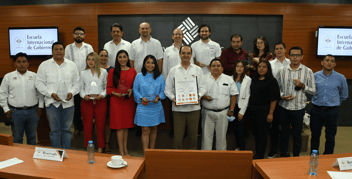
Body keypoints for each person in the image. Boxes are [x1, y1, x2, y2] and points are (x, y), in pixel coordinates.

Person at [36, 42, 80, 149]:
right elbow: (39, 83)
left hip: (68, 104)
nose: (59, 51)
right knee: (54, 130)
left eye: (61, 49)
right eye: (56, 49)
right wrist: (51, 94)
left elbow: (77, 83)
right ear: (52, 51)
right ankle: (56, 153)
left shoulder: (72, 65)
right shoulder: (44, 65)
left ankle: (66, 152)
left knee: (67, 130)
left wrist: (72, 92)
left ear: (64, 51)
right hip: (52, 104)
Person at [276, 46, 316, 157]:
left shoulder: (308, 71)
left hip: (299, 108)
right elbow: (275, 88)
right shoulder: (281, 70)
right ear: (288, 56)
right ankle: (283, 154)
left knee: (297, 134)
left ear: (301, 57)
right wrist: (282, 96)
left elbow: (313, 91)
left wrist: (302, 85)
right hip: (284, 106)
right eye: (292, 55)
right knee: (284, 133)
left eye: (297, 55)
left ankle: (296, 156)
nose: (295, 57)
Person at [165, 45, 206, 150]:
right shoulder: (173, 71)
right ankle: (177, 160)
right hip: (178, 108)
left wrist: (199, 96)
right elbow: (167, 90)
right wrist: (174, 98)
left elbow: (203, 87)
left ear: (191, 55)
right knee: (178, 137)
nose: (186, 55)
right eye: (183, 53)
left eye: (188, 53)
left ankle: (193, 160)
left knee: (193, 137)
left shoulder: (198, 70)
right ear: (179, 54)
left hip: (194, 108)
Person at [0, 52, 44, 145]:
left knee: (32, 137)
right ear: (14, 64)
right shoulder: (8, 77)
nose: (21, 64)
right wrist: (5, 109)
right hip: (15, 112)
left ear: (28, 63)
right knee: (17, 138)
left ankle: (31, 158)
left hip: (33, 112)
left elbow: (40, 93)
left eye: (24, 61)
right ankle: (19, 158)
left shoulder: (35, 76)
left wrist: (40, 106)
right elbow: (2, 94)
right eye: (19, 62)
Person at [310, 55, 348, 154]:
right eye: (327, 60)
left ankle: (327, 156)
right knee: (315, 135)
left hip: (332, 111)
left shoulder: (341, 78)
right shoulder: (314, 76)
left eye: (332, 61)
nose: (329, 63)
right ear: (322, 62)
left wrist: (334, 103)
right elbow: (310, 91)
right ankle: (314, 156)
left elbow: (344, 95)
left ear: (335, 64)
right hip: (316, 110)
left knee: (330, 137)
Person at [201, 59, 238, 150]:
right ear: (210, 68)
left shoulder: (228, 79)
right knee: (206, 138)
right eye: (213, 66)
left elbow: (234, 95)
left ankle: (220, 160)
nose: (216, 68)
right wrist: (204, 97)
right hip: (207, 112)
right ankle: (206, 159)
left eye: (218, 66)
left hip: (223, 113)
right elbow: (198, 94)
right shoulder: (203, 78)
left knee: (221, 138)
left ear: (222, 68)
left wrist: (231, 109)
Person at [64, 27, 94, 136]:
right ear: (73, 35)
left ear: (84, 36)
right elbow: (66, 64)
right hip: (74, 81)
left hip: (87, 80)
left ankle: (89, 126)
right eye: (76, 33)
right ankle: (77, 126)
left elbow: (92, 62)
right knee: (76, 106)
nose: (79, 35)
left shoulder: (89, 47)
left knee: (87, 105)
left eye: (81, 34)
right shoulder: (68, 48)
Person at [133, 55, 166, 152]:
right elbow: (135, 91)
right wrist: (140, 98)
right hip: (143, 107)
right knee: (145, 130)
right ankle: (146, 152)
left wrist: (158, 97)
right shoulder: (139, 76)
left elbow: (163, 91)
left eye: (152, 63)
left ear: (155, 64)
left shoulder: (160, 77)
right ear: (144, 64)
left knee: (155, 129)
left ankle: (152, 151)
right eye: (148, 62)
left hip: (156, 106)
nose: (150, 65)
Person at [248, 60, 280, 159]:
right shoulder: (253, 79)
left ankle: (260, 156)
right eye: (259, 67)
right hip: (253, 111)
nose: (261, 69)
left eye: (264, 67)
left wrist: (270, 113)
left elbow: (274, 99)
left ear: (268, 69)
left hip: (264, 112)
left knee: (262, 135)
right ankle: (257, 153)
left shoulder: (272, 81)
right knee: (256, 134)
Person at [107, 50, 136, 156]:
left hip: (128, 101)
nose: (122, 59)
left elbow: (135, 86)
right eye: (120, 57)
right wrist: (115, 93)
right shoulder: (112, 71)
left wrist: (131, 90)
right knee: (119, 127)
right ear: (117, 59)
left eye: (124, 57)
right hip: (116, 102)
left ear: (128, 58)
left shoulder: (133, 71)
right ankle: (121, 150)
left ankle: (125, 149)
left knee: (126, 126)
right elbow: (108, 89)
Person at [80, 52, 108, 153]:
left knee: (100, 126)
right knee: (87, 126)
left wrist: (102, 95)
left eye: (93, 59)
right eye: (89, 59)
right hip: (87, 102)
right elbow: (81, 88)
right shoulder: (83, 73)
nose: (90, 62)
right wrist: (84, 96)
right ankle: (89, 147)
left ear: (97, 60)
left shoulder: (103, 72)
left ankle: (101, 147)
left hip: (100, 101)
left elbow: (106, 87)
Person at [267, 42, 291, 158]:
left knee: (286, 127)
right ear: (274, 51)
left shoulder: (291, 63)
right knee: (275, 127)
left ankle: (284, 151)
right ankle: (273, 150)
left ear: (285, 50)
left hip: (289, 99)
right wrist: (279, 95)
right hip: (276, 99)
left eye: (281, 48)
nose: (279, 50)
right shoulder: (270, 64)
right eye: (277, 49)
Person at [162, 28, 186, 137]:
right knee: (173, 108)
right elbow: (165, 69)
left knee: (185, 107)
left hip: (186, 84)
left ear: (183, 36)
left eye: (180, 34)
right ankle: (173, 129)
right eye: (176, 34)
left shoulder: (187, 49)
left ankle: (184, 130)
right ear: (172, 36)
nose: (178, 36)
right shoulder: (167, 50)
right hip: (172, 84)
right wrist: (167, 85)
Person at [231, 60, 251, 151]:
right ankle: (237, 147)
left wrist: (242, 112)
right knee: (235, 129)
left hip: (241, 107)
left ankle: (242, 149)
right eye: (237, 66)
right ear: (235, 68)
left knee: (241, 130)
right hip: (232, 107)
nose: (239, 68)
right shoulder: (230, 78)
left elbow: (247, 97)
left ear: (244, 68)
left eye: (241, 66)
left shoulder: (248, 80)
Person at [99, 49, 114, 153]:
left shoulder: (112, 70)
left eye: (105, 56)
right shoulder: (93, 68)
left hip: (109, 99)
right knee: (99, 123)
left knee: (108, 122)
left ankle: (107, 144)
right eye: (101, 55)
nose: (103, 58)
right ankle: (100, 143)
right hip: (97, 99)